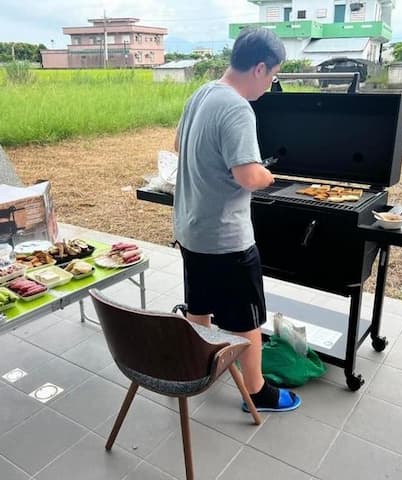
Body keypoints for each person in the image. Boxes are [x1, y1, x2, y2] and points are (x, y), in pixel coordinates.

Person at [173, 27, 301, 413]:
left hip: (191, 229)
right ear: (260, 68)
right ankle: (257, 391)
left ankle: (200, 368)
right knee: (247, 320)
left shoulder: (202, 93)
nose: (271, 83)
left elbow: (179, 145)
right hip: (226, 238)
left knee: (199, 305)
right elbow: (248, 176)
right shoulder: (237, 107)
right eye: (273, 75)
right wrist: (267, 175)